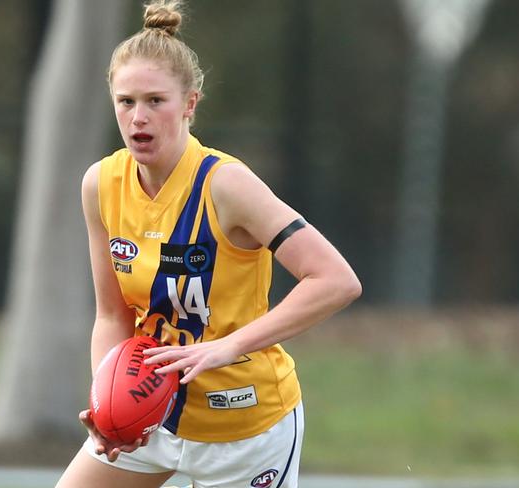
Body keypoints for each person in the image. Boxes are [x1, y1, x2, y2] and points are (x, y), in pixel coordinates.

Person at [55, 1, 361, 487]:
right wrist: (109, 405)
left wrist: (225, 348)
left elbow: (336, 281)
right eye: (126, 101)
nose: (139, 118)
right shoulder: (101, 184)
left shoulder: (226, 185)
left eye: (156, 101)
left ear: (190, 104)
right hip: (151, 414)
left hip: (243, 426)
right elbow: (112, 316)